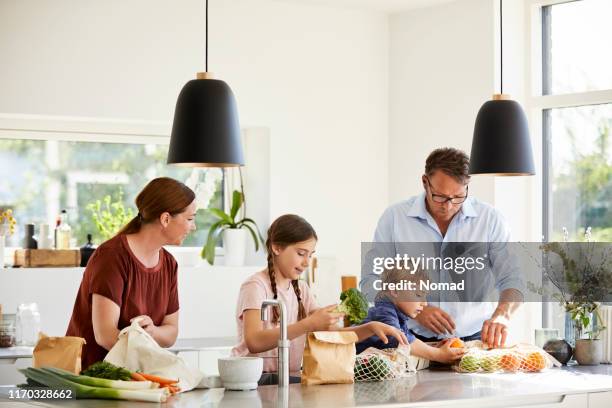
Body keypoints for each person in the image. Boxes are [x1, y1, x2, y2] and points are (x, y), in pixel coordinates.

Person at [360, 148, 524, 348]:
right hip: (411, 341)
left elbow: (513, 280)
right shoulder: (394, 218)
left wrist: (502, 316)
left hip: (475, 341)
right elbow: (372, 280)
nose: (448, 205)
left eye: (457, 197)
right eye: (440, 196)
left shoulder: (490, 220)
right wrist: (418, 309)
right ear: (424, 182)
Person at [232, 214, 408, 375]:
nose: (307, 262)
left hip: (286, 377)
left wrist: (370, 328)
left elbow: (334, 335)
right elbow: (254, 341)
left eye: (310, 255)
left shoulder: (301, 289)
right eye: (301, 253)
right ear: (277, 247)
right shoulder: (255, 286)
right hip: (247, 378)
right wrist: (309, 324)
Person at [66, 177, 197, 368]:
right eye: (190, 219)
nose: (193, 226)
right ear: (165, 219)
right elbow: (105, 336)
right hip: (92, 376)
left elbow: (171, 332)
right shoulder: (111, 257)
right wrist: (153, 364)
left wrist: (153, 332)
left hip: (136, 376)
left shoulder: (169, 264)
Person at [356, 268, 466, 364]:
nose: (425, 303)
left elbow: (406, 339)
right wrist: (437, 354)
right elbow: (399, 339)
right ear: (394, 291)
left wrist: (433, 348)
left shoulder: (398, 313)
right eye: (418, 295)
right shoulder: (384, 310)